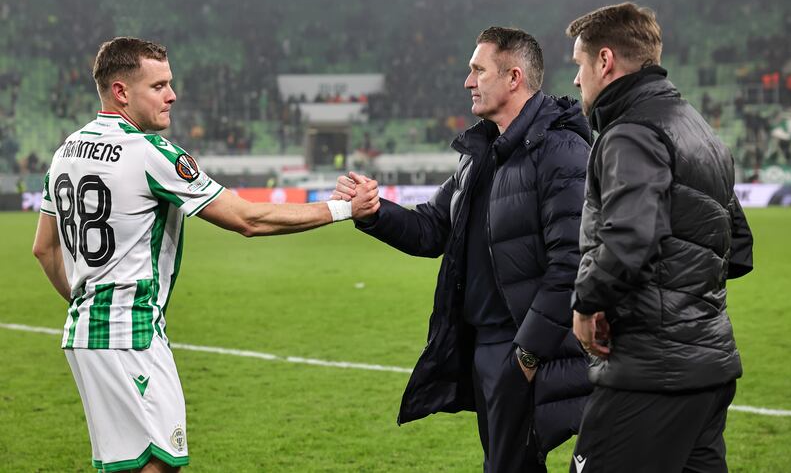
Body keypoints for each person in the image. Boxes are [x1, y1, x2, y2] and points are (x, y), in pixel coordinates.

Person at [31, 37, 379, 473]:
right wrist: (344, 209)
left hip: (85, 334)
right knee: (159, 465)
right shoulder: (149, 153)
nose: (172, 95)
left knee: (138, 465)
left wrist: (87, 308)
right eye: (158, 86)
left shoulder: (66, 151)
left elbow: (43, 249)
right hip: (130, 334)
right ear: (121, 92)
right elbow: (248, 219)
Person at [334, 27, 593, 472]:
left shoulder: (559, 149)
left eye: (478, 70)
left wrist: (527, 355)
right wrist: (373, 211)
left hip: (528, 347)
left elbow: (571, 263)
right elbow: (432, 229)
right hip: (487, 346)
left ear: (513, 77)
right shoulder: (480, 151)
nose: (468, 82)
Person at [565, 3, 754, 473]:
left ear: (605, 61)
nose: (576, 79)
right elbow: (738, 248)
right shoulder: (701, 132)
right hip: (707, 366)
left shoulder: (631, 132)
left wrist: (587, 303)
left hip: (649, 373)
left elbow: (631, 236)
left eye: (579, 64)